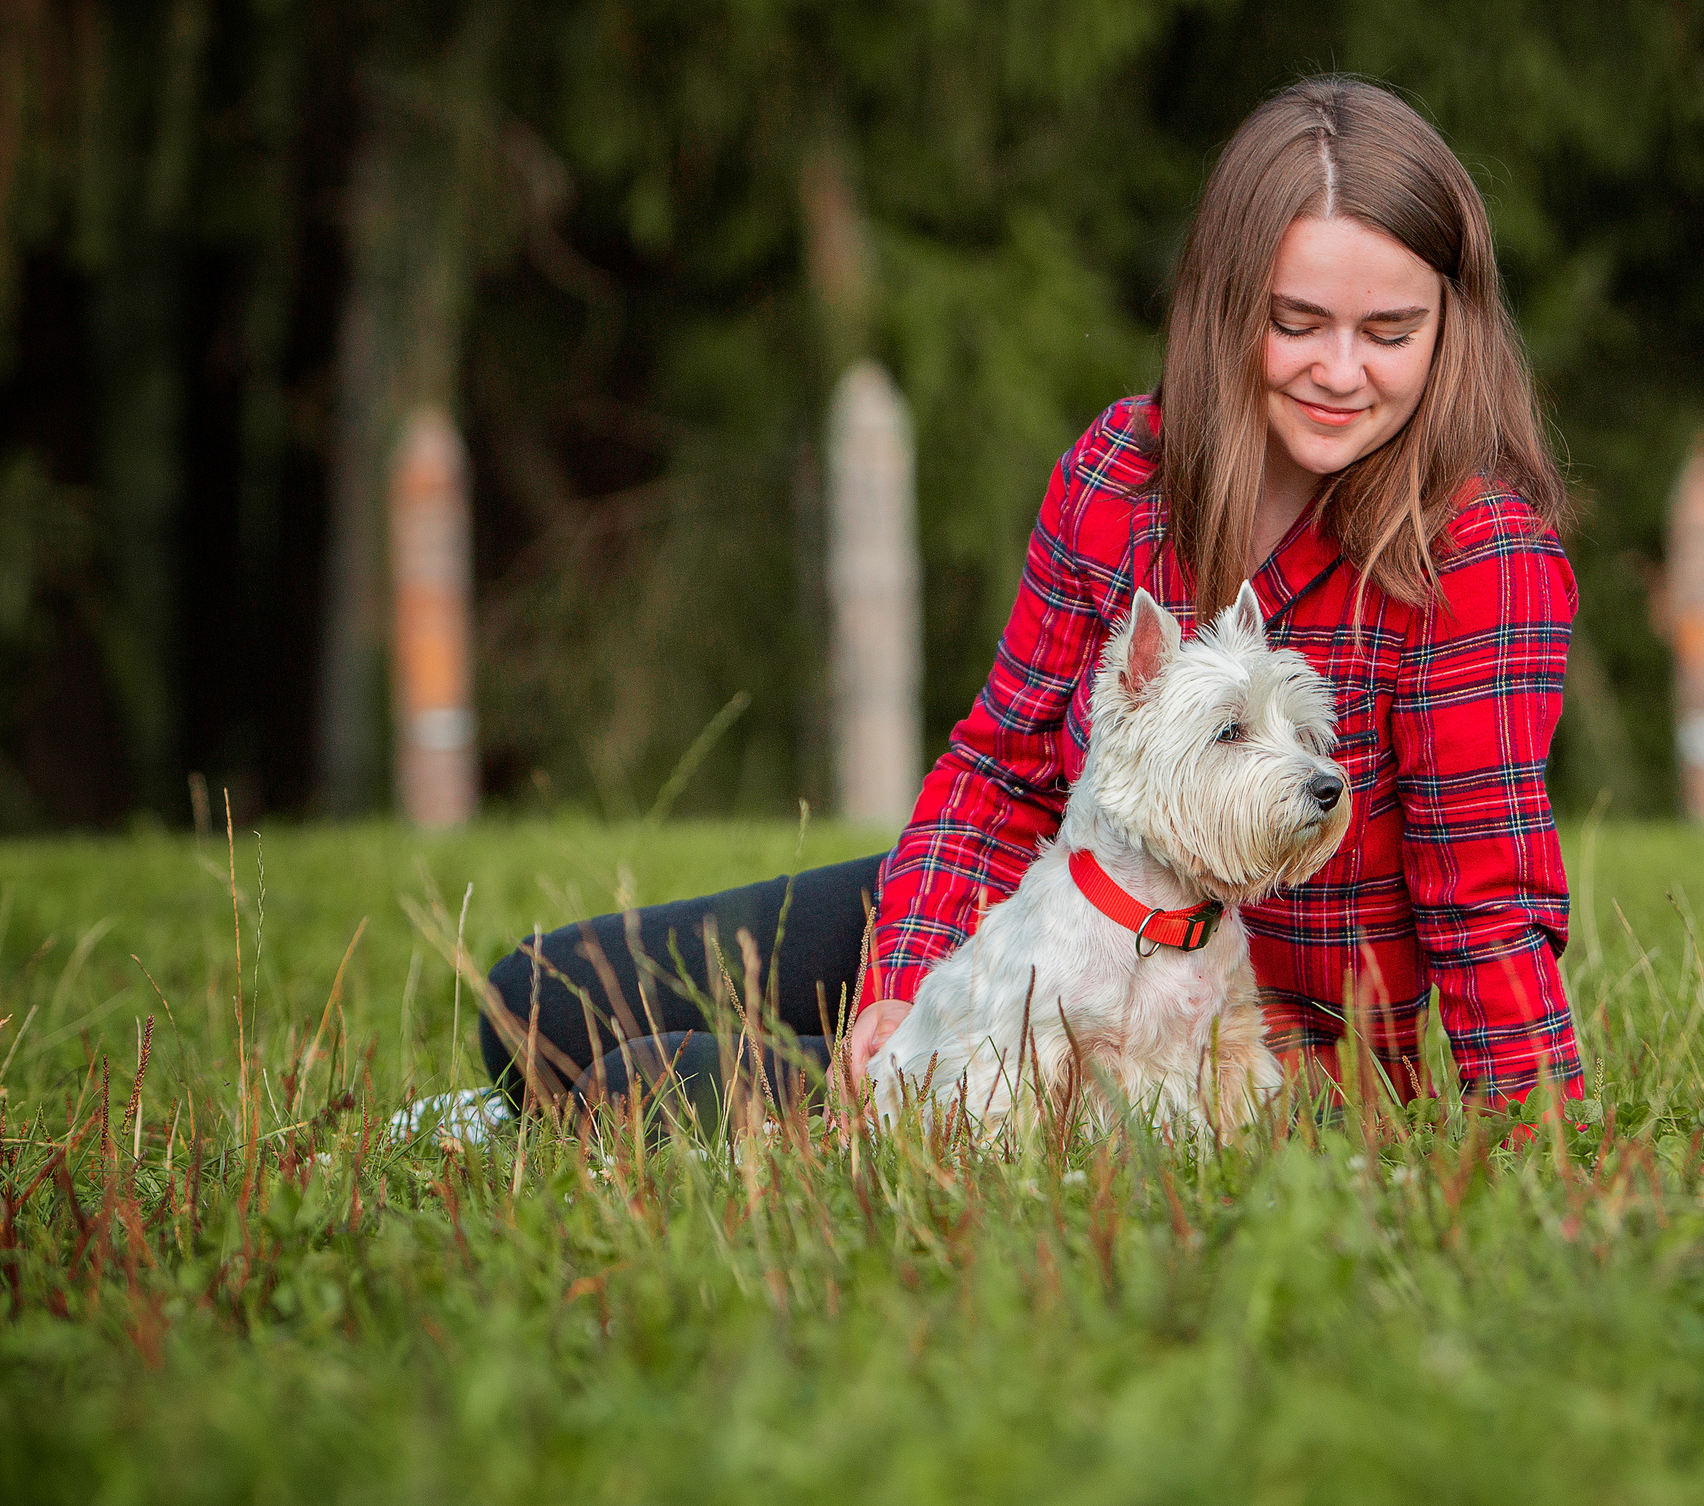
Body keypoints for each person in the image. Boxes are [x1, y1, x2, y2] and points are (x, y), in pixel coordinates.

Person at [476, 75, 1584, 1129]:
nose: (1342, 371)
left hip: (1216, 1050)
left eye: (1389, 334)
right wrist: (907, 983)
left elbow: (1485, 901)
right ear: (1223, 302)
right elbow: (1003, 770)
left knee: (649, 1089)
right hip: (1039, 915)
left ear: (1449, 328)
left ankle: (710, 1122)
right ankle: (543, 1110)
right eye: (1298, 322)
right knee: (535, 1001)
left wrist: (1543, 1149)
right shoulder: (1119, 471)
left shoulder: (1475, 557)